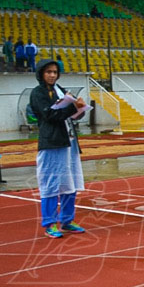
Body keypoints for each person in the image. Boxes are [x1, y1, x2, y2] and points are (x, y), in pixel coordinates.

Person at [29, 59, 87, 238]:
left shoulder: (60, 90)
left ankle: (68, 220)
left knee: (71, 182)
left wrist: (80, 108)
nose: (52, 75)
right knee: (51, 183)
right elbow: (50, 115)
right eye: (48, 72)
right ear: (41, 74)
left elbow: (71, 113)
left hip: (69, 142)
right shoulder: (38, 93)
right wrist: (71, 108)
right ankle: (50, 223)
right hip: (52, 142)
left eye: (54, 72)